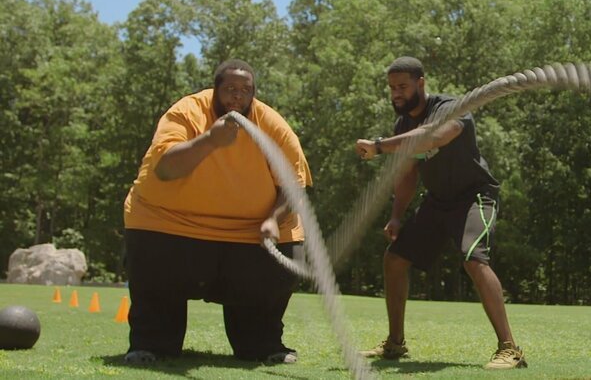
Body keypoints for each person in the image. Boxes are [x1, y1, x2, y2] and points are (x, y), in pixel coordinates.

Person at [123, 59, 312, 364]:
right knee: (154, 273)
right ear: (215, 91)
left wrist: (272, 220)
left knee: (287, 257)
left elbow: (294, 185)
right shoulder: (186, 112)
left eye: (245, 91)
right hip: (169, 223)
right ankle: (152, 344)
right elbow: (166, 169)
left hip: (250, 232)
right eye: (230, 90)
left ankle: (262, 344)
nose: (237, 97)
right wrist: (210, 140)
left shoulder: (272, 124)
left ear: (254, 94)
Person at [355, 56, 526, 370]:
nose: (396, 94)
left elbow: (434, 137)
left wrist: (379, 146)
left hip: (475, 196)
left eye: (403, 86)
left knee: (474, 258)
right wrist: (396, 215)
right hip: (437, 202)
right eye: (392, 88)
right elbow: (407, 174)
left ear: (421, 83)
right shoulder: (403, 125)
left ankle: (510, 349)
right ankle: (395, 344)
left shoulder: (451, 108)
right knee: (394, 259)